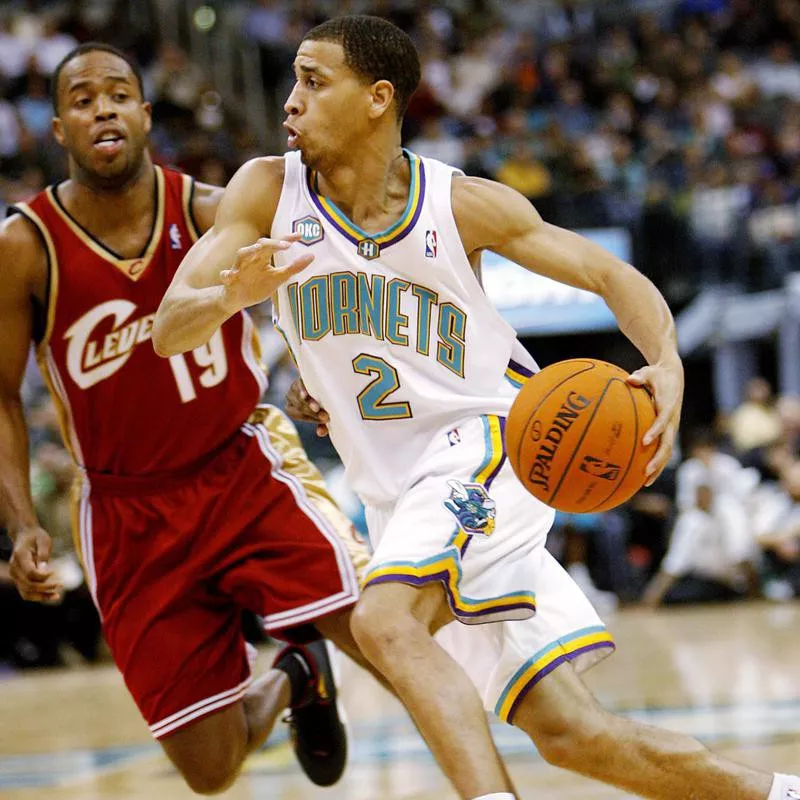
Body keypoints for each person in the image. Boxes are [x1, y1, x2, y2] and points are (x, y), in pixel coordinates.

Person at [152, 15, 800, 800]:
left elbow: (606, 275)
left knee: (384, 623)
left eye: (313, 82)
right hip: (393, 494)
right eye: (293, 80)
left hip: (489, 445)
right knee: (572, 736)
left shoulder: (457, 205)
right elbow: (168, 326)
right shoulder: (264, 191)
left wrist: (666, 361)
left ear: (377, 98)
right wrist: (235, 294)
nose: (290, 101)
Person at [0, 42, 383, 797]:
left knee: (384, 634)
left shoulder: (210, 209)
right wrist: (20, 524)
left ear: (145, 115)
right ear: (56, 129)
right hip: (125, 512)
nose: (102, 107)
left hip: (239, 467)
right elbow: (1, 395)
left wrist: (318, 378)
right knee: (210, 770)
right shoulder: (24, 247)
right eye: (82, 99)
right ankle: (296, 673)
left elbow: (309, 298)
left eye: (118, 93)